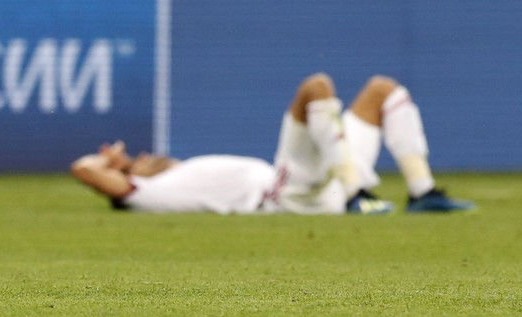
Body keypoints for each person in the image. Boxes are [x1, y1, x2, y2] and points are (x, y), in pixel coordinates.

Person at [70, 73, 477, 215]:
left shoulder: (177, 171)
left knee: (382, 92)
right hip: (287, 195)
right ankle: (358, 195)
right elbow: (83, 170)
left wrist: (120, 165)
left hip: (321, 180)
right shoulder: (149, 193)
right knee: (315, 88)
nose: (143, 157)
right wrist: (110, 162)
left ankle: (421, 192)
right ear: (128, 180)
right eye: (134, 163)